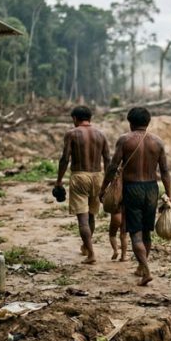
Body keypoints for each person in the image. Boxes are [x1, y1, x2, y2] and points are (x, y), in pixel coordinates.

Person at [101, 107, 171, 285]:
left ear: (130, 122)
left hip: (132, 188)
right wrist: (169, 194)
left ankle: (146, 270)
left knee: (135, 233)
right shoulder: (158, 142)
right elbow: (164, 171)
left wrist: (104, 187)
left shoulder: (125, 140)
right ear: (148, 122)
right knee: (147, 231)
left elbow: (112, 166)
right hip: (151, 188)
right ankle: (142, 267)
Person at [54, 106, 109, 264]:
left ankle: (91, 253)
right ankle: (86, 247)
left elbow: (65, 159)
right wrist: (107, 182)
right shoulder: (101, 134)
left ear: (75, 118)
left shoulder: (72, 133)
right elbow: (108, 159)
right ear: (90, 118)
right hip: (98, 176)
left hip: (79, 176)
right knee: (91, 216)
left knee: (83, 220)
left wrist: (59, 181)